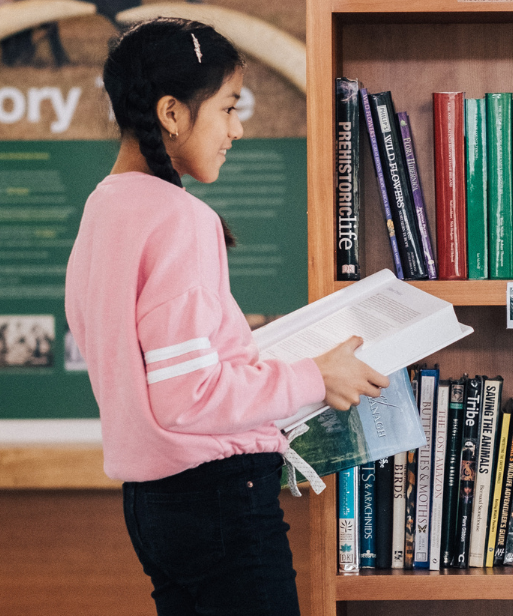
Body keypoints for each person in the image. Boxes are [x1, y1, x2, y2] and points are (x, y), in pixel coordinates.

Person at [64, 18, 388, 616]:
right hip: (217, 501)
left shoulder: (103, 208)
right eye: (228, 108)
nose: (237, 130)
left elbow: (160, 372)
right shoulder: (179, 219)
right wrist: (317, 377)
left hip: (156, 505)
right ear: (171, 113)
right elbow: (188, 395)